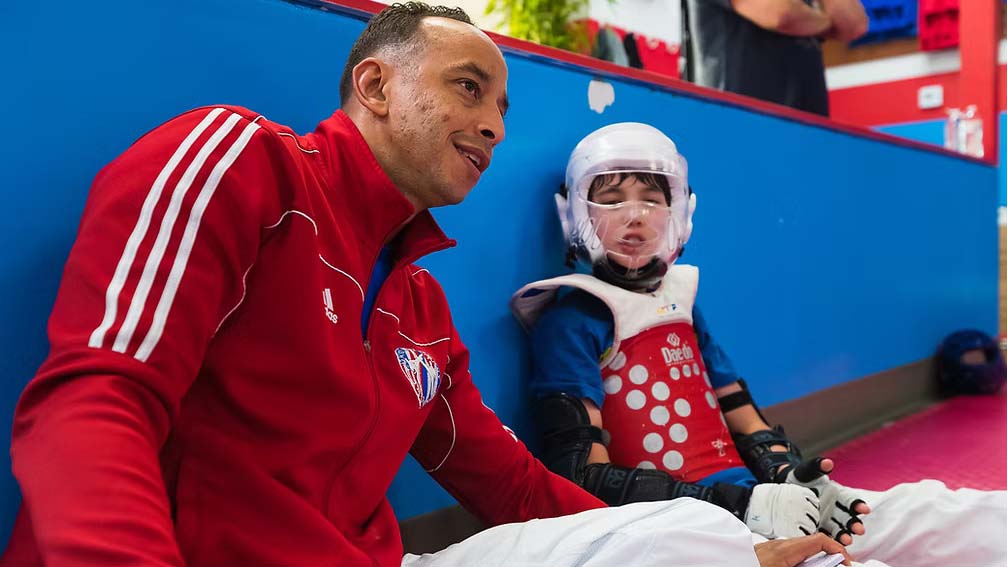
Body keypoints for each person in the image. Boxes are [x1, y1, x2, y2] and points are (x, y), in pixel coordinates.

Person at [1, 4, 850, 567]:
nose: (491, 124)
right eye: (467, 88)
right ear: (375, 85)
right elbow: (97, 397)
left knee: (694, 534)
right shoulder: (241, 163)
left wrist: (724, 546)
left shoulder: (417, 306)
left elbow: (512, 488)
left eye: (502, 107)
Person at [511, 121, 1007, 567]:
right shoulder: (572, 320)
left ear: (678, 209)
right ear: (576, 212)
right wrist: (739, 505)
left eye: (651, 198)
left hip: (759, 500)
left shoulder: (680, 302)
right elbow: (580, 475)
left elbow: (741, 414)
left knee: (925, 510)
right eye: (612, 198)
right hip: (687, 530)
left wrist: (792, 477)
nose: (634, 214)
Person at [682, 0, 868, 116]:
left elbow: (853, 23)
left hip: (808, 120)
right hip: (741, 119)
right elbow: (781, 15)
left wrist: (810, 21)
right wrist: (827, 23)